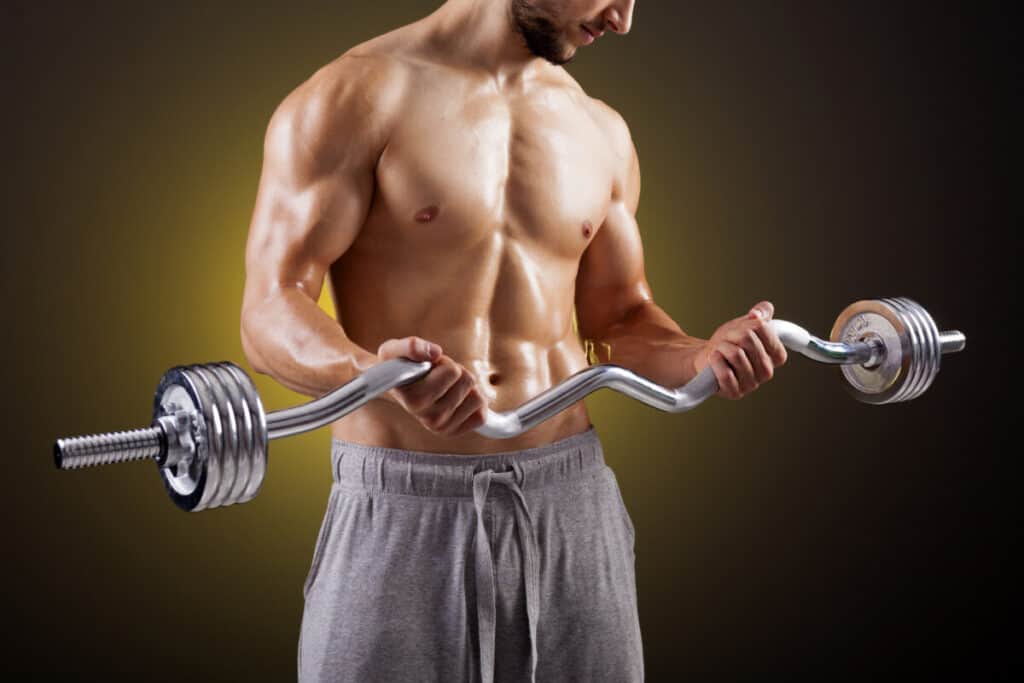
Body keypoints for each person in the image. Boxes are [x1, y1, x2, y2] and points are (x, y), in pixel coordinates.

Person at [239, 1, 787, 681]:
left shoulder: (600, 131)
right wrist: (368, 372)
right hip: (405, 510)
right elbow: (270, 306)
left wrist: (700, 356)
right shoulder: (355, 96)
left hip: (571, 505)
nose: (623, 19)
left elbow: (617, 324)